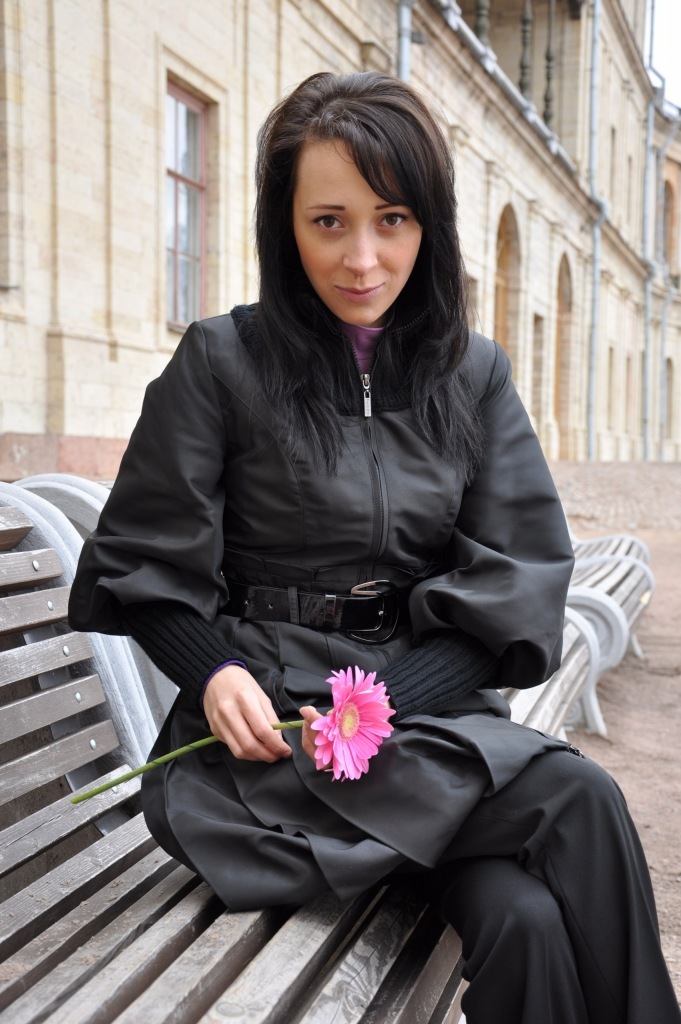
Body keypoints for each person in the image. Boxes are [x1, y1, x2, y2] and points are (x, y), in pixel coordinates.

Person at [69, 71, 681, 1024]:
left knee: (525, 922)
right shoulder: (221, 363)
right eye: (329, 222)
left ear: (428, 224)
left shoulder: (471, 374)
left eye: (391, 220)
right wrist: (215, 671)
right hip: (271, 752)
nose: (362, 259)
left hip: (423, 732)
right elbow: (139, 565)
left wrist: (389, 705)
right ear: (285, 226)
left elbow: (518, 583)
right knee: (578, 798)